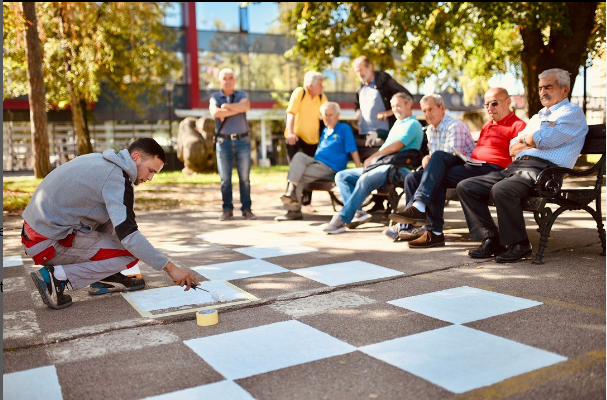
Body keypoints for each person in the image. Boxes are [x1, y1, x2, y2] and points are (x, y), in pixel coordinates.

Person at [25, 138, 201, 310]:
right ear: (136, 157)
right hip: (47, 243)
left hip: (39, 232)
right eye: (150, 170)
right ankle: (56, 277)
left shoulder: (103, 161)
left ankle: (102, 276)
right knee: (130, 253)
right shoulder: (116, 178)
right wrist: (170, 268)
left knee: (117, 219)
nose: (150, 178)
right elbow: (130, 237)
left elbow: (122, 225)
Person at [456, 68, 588, 263]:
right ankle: (491, 239)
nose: (543, 91)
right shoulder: (538, 116)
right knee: (466, 187)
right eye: (540, 87)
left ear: (565, 89)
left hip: (546, 172)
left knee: (502, 190)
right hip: (518, 168)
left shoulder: (572, 113)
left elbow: (547, 140)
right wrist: (531, 139)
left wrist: (528, 140)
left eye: (548, 87)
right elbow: (512, 146)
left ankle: (520, 244)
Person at [387, 88, 527, 248]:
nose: (490, 108)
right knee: (427, 175)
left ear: (508, 102)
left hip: (494, 170)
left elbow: (518, 153)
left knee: (438, 164)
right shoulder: (488, 125)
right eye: (487, 104)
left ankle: (427, 220)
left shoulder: (518, 125)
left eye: (494, 103)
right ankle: (433, 231)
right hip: (474, 165)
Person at [323, 92, 423, 234]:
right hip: (381, 166)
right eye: (393, 106)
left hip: (397, 168)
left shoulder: (413, 124)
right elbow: (387, 138)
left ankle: (342, 218)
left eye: (398, 105)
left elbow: (396, 146)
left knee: (364, 179)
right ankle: (357, 212)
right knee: (341, 176)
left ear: (409, 104)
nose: (395, 109)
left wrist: (373, 157)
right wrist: (377, 134)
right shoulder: (398, 124)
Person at [383, 93, 476, 241]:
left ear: (442, 108)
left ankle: (422, 221)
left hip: (465, 169)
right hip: (443, 170)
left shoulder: (455, 126)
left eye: (430, 109)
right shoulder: (431, 131)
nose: (427, 114)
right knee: (412, 177)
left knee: (437, 170)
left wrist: (432, 158)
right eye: (424, 111)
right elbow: (436, 159)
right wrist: (428, 158)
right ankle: (415, 223)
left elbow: (453, 156)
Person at [277, 102, 362, 220]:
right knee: (298, 157)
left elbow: (353, 150)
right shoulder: (325, 131)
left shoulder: (344, 129)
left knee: (297, 175)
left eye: (330, 115)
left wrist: (359, 171)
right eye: (324, 115)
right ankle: (292, 196)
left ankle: (293, 208)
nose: (327, 118)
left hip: (331, 167)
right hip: (317, 163)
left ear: (338, 115)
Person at [352, 55, 413, 212]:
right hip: (366, 132)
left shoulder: (383, 81)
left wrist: (388, 112)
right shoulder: (360, 87)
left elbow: (406, 96)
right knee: (372, 165)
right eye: (356, 71)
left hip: (384, 132)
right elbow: (356, 104)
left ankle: (388, 202)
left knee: (382, 162)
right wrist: (358, 111)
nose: (358, 73)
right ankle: (377, 202)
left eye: (361, 70)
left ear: (369, 67)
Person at [277, 71, 328, 221]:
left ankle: (306, 203)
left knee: (308, 171)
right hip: (296, 138)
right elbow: (291, 113)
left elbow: (327, 111)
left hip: (312, 140)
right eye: (320, 84)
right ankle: (292, 204)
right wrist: (291, 133)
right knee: (295, 169)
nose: (322, 86)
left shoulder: (320, 96)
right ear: (310, 85)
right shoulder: (300, 92)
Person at [210, 68, 256, 221]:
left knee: (244, 178)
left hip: (243, 141)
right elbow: (215, 113)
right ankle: (227, 209)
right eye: (225, 78)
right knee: (225, 179)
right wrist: (236, 108)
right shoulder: (215, 96)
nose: (228, 80)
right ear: (220, 81)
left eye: (231, 77)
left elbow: (245, 106)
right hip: (223, 142)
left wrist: (225, 107)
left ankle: (247, 209)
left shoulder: (242, 95)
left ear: (234, 80)